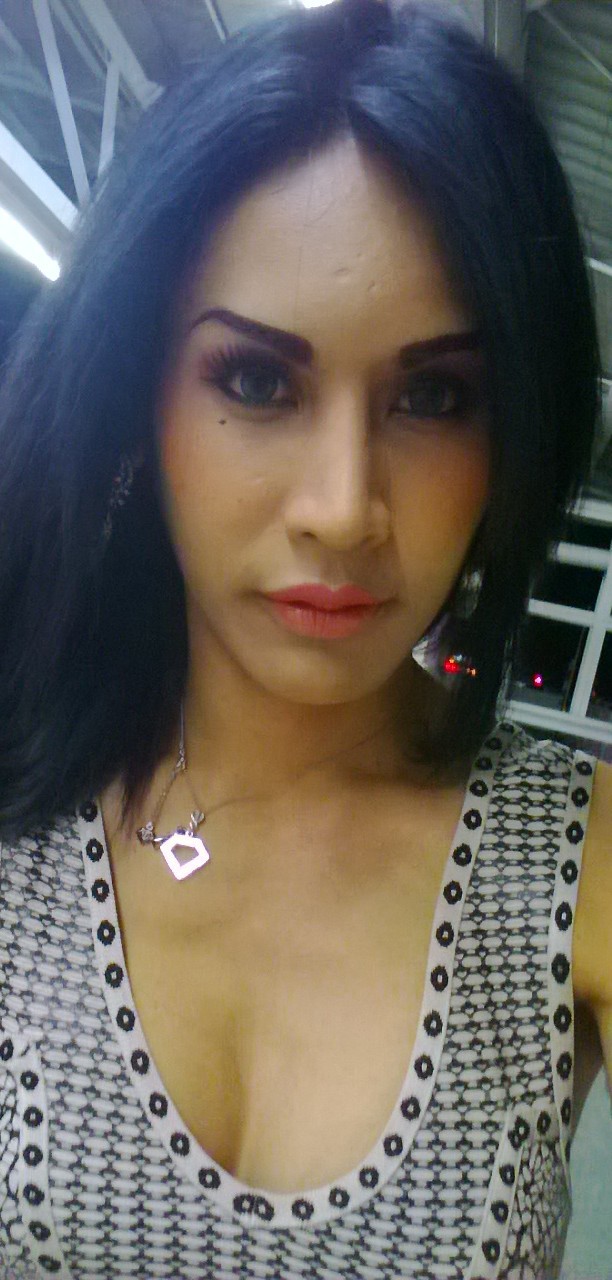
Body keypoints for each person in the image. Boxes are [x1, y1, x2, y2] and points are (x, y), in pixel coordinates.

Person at [0, 0, 609, 1275]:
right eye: (258, 380)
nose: (344, 507)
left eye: (434, 395)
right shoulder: (20, 802)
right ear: (139, 396)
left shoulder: (580, 862)